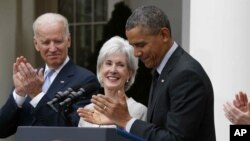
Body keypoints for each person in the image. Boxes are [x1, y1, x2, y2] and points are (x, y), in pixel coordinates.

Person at [90, 5, 216, 141]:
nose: (136, 53)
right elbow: (158, 129)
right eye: (133, 46)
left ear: (164, 35)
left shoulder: (186, 76)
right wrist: (120, 122)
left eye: (141, 45)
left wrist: (127, 121)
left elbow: (175, 139)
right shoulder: (162, 70)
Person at [0, 13, 99, 138]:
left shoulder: (86, 80)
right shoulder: (29, 79)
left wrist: (36, 95)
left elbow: (73, 131)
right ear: (36, 44)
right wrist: (19, 94)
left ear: (68, 40)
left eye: (58, 41)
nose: (52, 48)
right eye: (46, 42)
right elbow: (2, 130)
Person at [77, 36, 147, 128]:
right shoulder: (88, 110)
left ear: (129, 73)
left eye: (120, 65)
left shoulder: (139, 111)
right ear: (100, 68)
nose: (113, 70)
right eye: (108, 63)